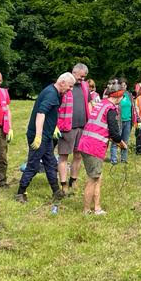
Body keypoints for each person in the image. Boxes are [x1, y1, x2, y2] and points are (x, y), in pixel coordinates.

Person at [16, 73, 75, 204]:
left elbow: (50, 113)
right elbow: (41, 113)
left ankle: (56, 192)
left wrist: (53, 127)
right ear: (62, 82)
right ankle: (20, 192)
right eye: (70, 86)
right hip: (39, 135)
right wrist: (38, 136)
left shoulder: (56, 93)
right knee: (33, 164)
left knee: (50, 163)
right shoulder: (51, 94)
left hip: (47, 135)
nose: (70, 89)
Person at [78, 81, 126, 215]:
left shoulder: (101, 104)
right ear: (118, 96)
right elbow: (114, 131)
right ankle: (86, 210)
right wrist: (120, 142)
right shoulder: (110, 108)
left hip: (86, 143)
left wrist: (116, 140)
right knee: (92, 179)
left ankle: (97, 208)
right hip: (93, 146)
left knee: (98, 177)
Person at [57, 62, 92, 193]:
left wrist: (91, 121)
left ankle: (73, 181)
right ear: (74, 72)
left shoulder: (84, 86)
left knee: (78, 156)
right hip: (67, 127)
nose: (82, 79)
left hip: (82, 127)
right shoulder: (65, 84)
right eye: (81, 76)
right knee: (64, 156)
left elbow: (88, 103)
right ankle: (63, 184)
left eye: (84, 77)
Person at [110, 79, 133, 165]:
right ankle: (114, 159)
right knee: (116, 140)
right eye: (122, 85)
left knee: (125, 140)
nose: (123, 87)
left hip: (128, 120)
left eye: (125, 85)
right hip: (118, 120)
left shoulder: (129, 95)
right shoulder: (116, 95)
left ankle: (124, 159)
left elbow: (133, 108)